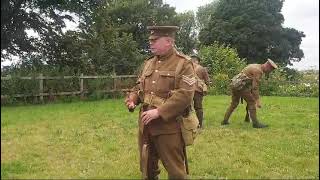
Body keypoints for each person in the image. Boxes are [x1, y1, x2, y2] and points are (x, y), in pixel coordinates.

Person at [125, 25, 196, 179]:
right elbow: (139, 86)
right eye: (150, 40)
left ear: (169, 41)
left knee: (176, 172)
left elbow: (185, 95)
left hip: (168, 127)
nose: (150, 43)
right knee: (147, 168)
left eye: (155, 40)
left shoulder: (183, 64)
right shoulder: (149, 63)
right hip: (146, 126)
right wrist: (133, 99)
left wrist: (159, 111)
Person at [221, 59, 278, 128]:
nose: (270, 72)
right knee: (252, 102)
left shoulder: (254, 65)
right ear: (267, 67)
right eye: (270, 70)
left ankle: (225, 121)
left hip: (235, 84)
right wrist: (257, 100)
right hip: (242, 87)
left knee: (234, 103)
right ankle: (255, 123)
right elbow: (255, 87)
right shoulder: (258, 71)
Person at [190, 55, 210, 129]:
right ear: (197, 61)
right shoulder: (201, 68)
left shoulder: (186, 67)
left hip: (187, 90)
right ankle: (199, 125)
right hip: (197, 90)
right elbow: (207, 81)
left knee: (187, 108)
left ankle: (187, 124)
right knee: (198, 108)